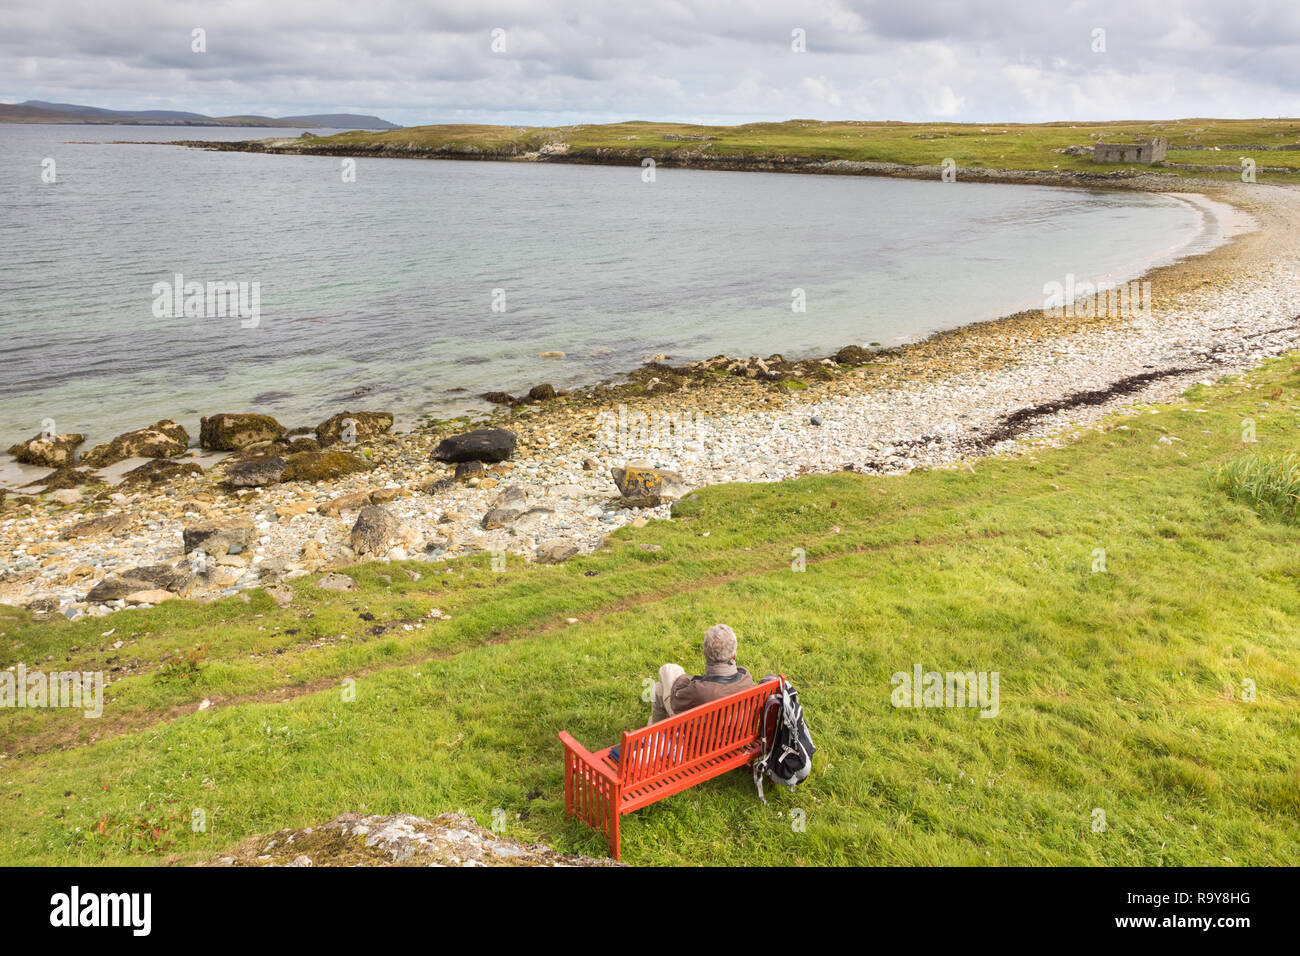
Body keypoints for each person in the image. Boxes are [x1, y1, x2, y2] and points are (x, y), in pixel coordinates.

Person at [648, 623, 754, 725]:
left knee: (666, 672)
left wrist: (687, 680)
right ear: (734, 655)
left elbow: (676, 702)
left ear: (705, 654)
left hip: (699, 739)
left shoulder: (699, 690)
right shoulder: (746, 679)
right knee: (659, 688)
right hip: (733, 736)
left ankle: (651, 735)